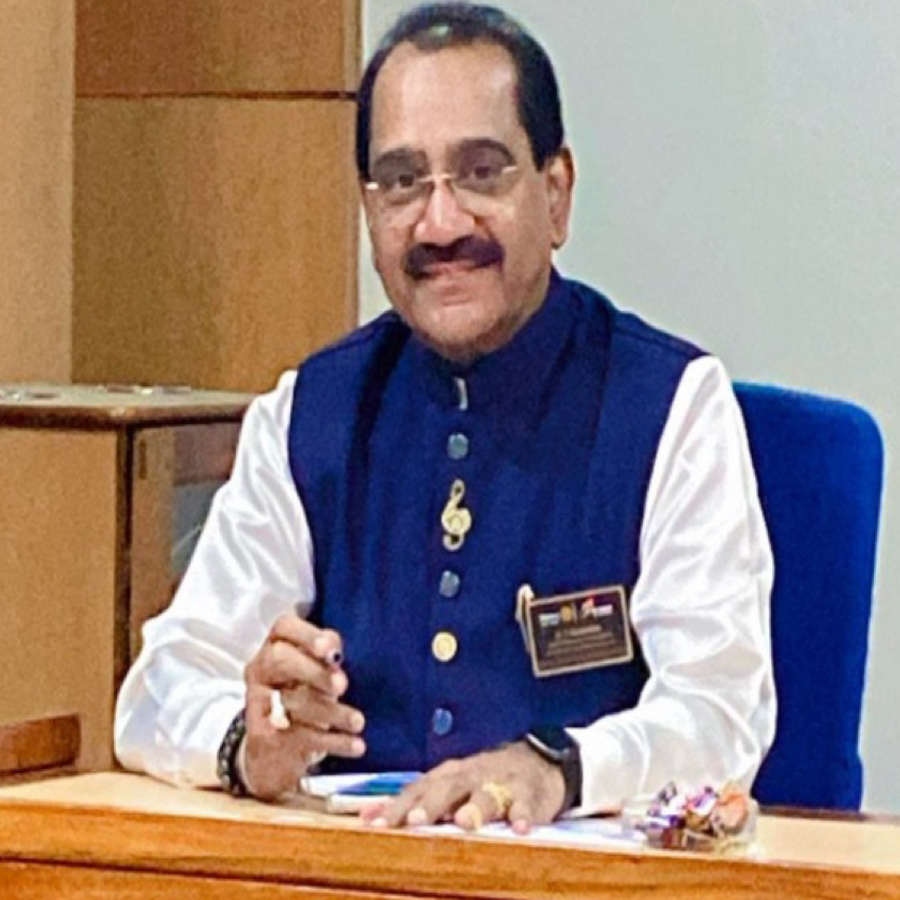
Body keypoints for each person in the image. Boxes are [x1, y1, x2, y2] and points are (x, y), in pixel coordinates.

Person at [115, 1, 776, 834]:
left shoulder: (670, 405)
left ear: (557, 194)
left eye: (481, 172)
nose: (440, 223)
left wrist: (560, 767)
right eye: (402, 181)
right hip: (350, 877)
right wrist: (249, 743)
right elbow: (158, 691)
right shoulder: (310, 412)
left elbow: (721, 714)